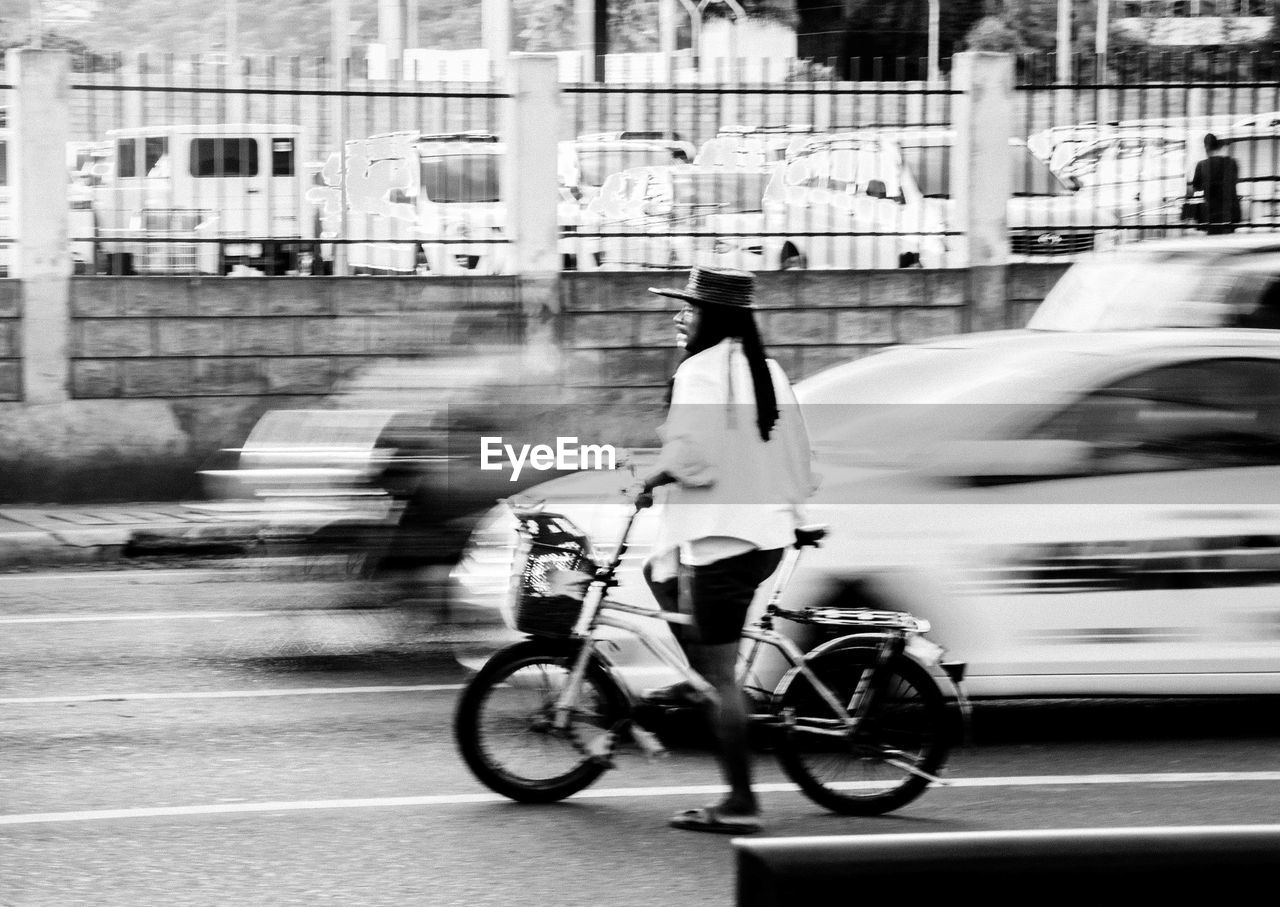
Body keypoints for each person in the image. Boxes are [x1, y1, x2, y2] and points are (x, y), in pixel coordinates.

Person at [638, 266, 814, 835]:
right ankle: (707, 688)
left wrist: (648, 477)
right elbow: (796, 453)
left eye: (687, 309)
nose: (678, 316)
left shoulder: (700, 372)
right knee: (656, 571)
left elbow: (692, 456)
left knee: (720, 679)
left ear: (711, 315)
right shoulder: (768, 370)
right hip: (759, 536)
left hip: (723, 542)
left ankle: (740, 799)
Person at [1188, 133, 1240, 235]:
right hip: (1231, 212)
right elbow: (1234, 182)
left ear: (1206, 147)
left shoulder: (1202, 165)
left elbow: (1195, 189)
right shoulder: (1232, 163)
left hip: (1211, 213)